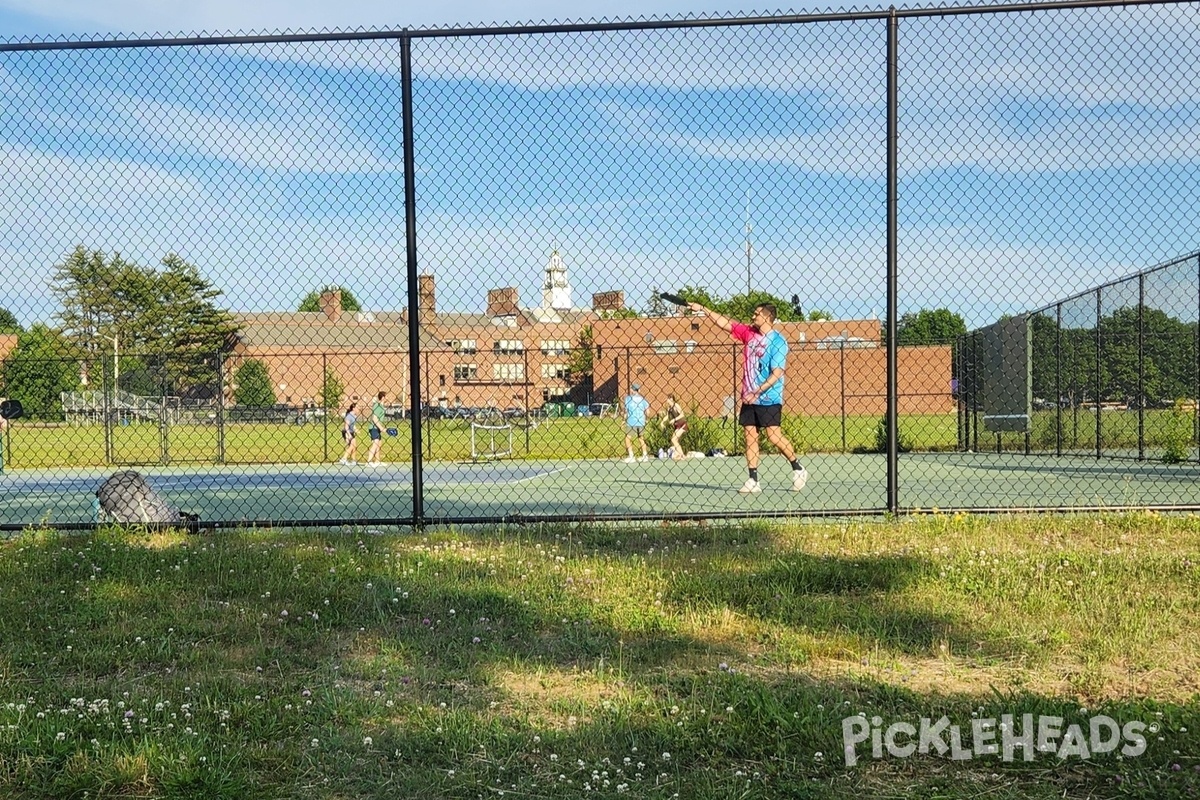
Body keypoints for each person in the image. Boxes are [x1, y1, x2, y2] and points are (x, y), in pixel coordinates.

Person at [687, 300, 807, 493]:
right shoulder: (749, 333)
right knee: (750, 437)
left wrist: (757, 391)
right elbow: (726, 323)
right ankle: (753, 479)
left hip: (768, 398)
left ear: (767, 317)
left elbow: (776, 373)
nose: (753, 316)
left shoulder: (777, 341)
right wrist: (703, 309)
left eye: (756, 313)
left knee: (774, 437)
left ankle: (798, 468)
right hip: (749, 398)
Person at [622, 383, 650, 463]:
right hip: (641, 421)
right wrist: (646, 419)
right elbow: (648, 412)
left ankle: (631, 456)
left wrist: (623, 420)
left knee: (627, 439)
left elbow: (626, 411)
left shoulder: (628, 399)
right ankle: (645, 456)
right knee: (641, 438)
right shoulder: (643, 399)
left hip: (632, 421)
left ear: (632, 390)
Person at [662, 394, 687, 460]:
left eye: (667, 398)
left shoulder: (676, 405)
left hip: (682, 424)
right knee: (673, 440)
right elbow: (667, 416)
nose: (666, 400)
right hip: (677, 426)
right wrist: (662, 422)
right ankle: (679, 454)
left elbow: (682, 414)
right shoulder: (669, 408)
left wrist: (674, 419)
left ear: (671, 399)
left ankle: (682, 455)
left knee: (674, 440)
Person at [366, 391, 387, 467]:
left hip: (377, 428)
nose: (387, 398)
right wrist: (381, 428)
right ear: (383, 397)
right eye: (386, 396)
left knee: (379, 444)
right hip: (374, 428)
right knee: (375, 444)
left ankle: (377, 461)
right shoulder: (378, 406)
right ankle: (368, 461)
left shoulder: (381, 406)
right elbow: (374, 418)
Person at [339, 401, 358, 465]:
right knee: (351, 446)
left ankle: (353, 460)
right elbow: (346, 426)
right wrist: (348, 435)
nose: (358, 409)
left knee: (354, 446)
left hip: (351, 432)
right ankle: (343, 459)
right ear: (353, 408)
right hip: (347, 432)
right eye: (357, 408)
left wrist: (356, 429)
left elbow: (353, 425)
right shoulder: (349, 416)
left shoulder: (354, 416)